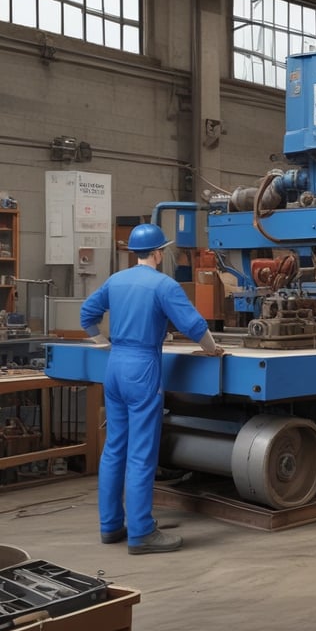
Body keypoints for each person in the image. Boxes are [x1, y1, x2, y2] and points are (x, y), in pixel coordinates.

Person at [80, 223, 225, 554]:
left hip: (115, 366)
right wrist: (211, 349)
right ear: (159, 253)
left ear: (135, 253)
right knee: (142, 453)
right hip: (142, 368)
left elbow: (86, 315)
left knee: (115, 447)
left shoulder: (116, 280)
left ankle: (111, 525)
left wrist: (103, 344)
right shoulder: (164, 285)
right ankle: (142, 532)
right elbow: (194, 326)